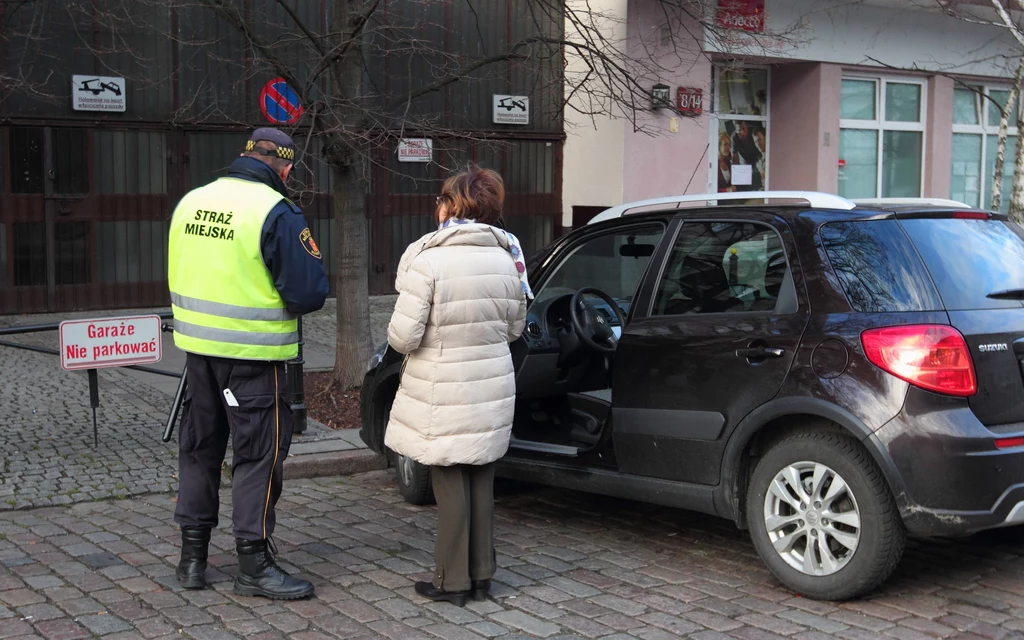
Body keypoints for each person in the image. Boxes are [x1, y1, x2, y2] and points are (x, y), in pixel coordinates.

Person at [167, 127, 329, 600]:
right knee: (258, 455)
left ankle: (192, 560)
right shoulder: (275, 211)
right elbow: (308, 292)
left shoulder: (192, 201)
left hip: (198, 354)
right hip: (253, 359)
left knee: (200, 449)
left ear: (244, 155)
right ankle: (253, 565)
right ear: (286, 168)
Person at [385, 166, 529, 607]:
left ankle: (453, 582)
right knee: (481, 479)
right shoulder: (508, 257)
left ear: (452, 205)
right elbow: (515, 327)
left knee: (448, 481)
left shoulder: (427, 260)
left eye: (440, 199)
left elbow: (403, 337)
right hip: (490, 384)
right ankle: (483, 574)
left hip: (442, 387)